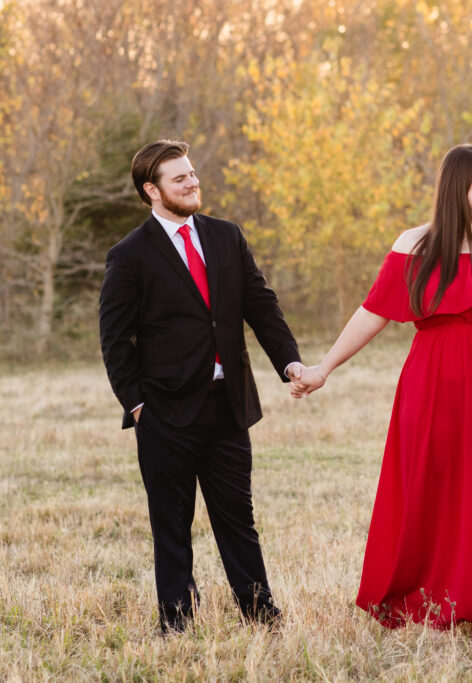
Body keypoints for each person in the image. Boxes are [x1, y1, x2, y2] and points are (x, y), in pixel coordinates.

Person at [292, 144, 472, 632]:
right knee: (436, 500)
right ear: (456, 185)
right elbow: (372, 312)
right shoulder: (415, 245)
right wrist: (324, 367)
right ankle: (444, 603)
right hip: (433, 387)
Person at [98, 139, 304, 632]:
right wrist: (139, 405)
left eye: (192, 174)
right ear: (152, 190)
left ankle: (260, 614)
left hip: (227, 406)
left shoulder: (226, 236)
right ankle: (176, 622)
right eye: (179, 178)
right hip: (165, 413)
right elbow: (114, 339)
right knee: (171, 525)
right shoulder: (129, 256)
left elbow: (261, 305)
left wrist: (290, 363)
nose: (192, 183)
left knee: (238, 519)